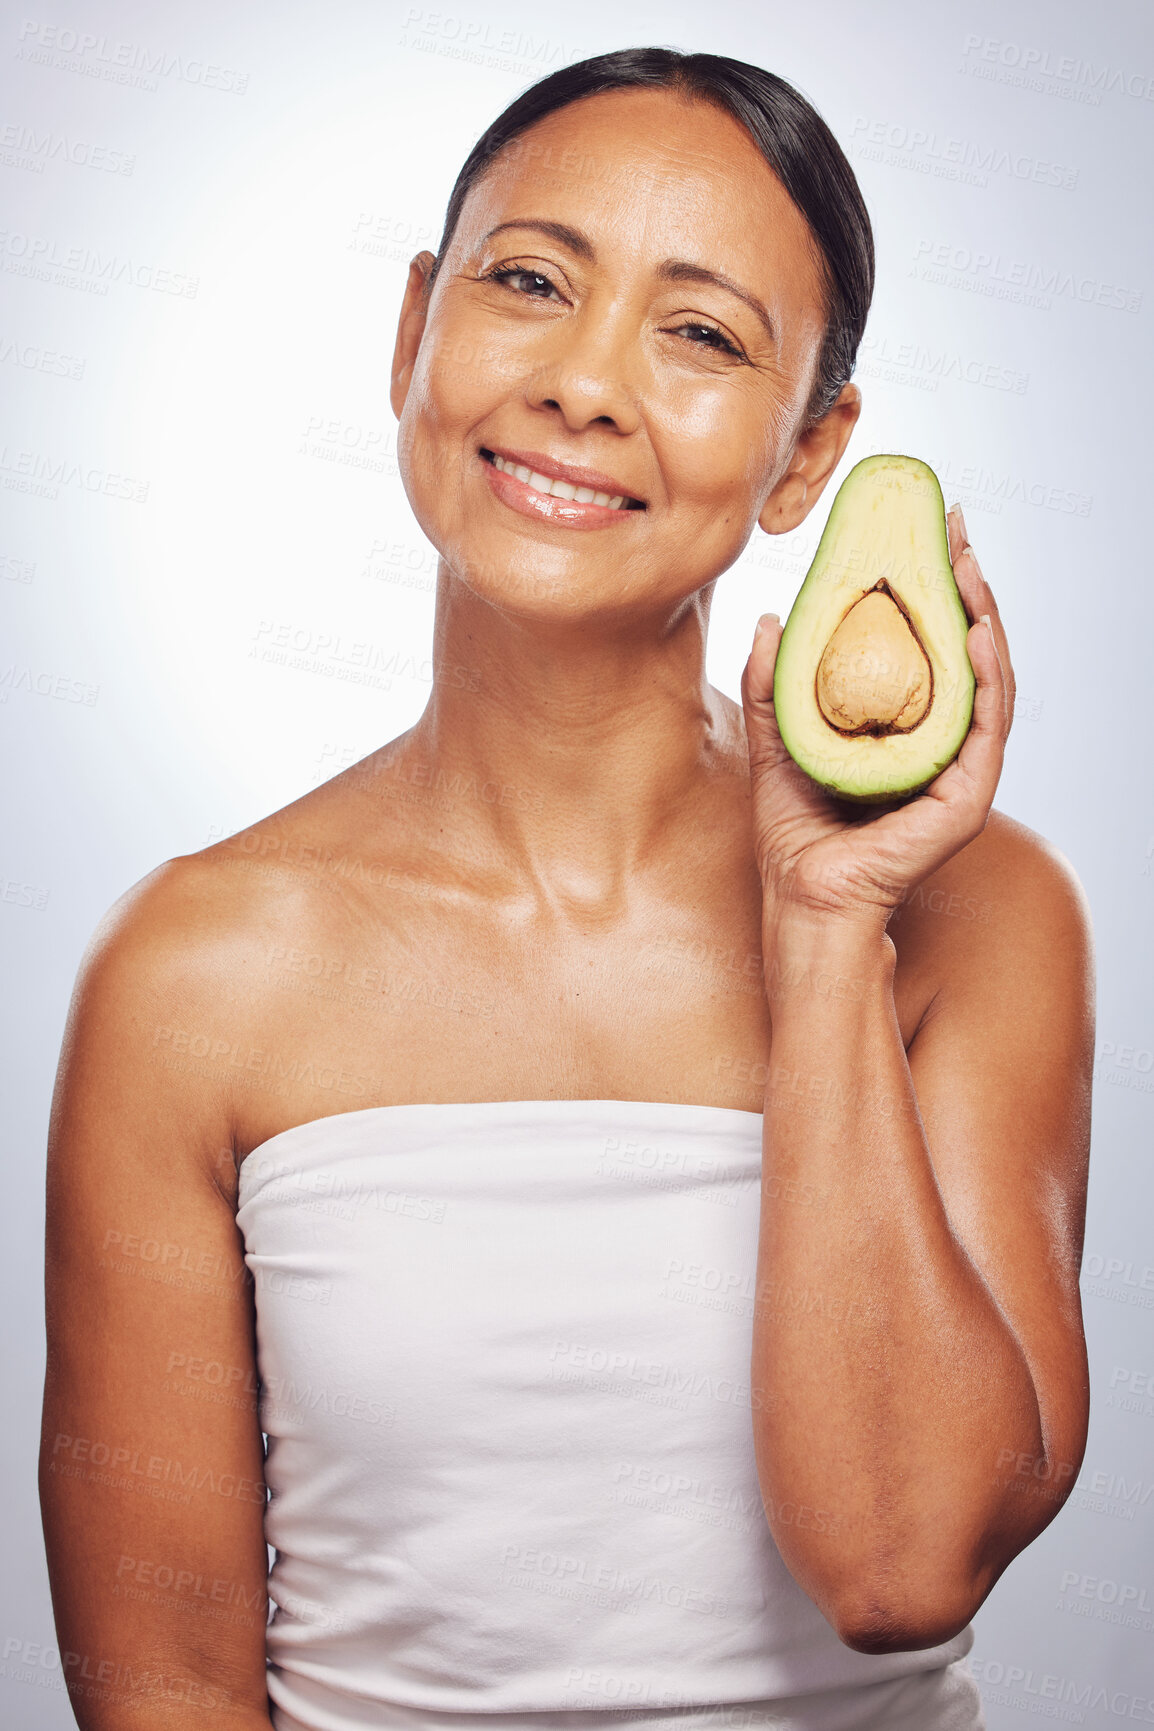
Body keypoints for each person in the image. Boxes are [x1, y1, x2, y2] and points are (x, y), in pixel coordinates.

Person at [39, 46, 1093, 1731]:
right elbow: (160, 1685)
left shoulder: (974, 911)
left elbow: (901, 1568)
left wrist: (822, 926)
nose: (584, 385)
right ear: (412, 334)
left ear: (808, 456)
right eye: (528, 283)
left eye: (698, 334)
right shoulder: (192, 970)